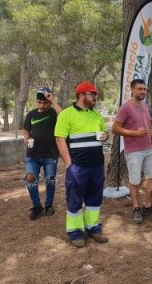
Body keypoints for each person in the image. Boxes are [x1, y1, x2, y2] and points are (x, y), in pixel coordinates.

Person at [55, 80, 109, 248]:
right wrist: (69, 164)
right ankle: (75, 232)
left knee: (95, 199)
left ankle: (93, 227)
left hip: (97, 165)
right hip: (77, 167)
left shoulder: (96, 114)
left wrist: (105, 136)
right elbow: (60, 139)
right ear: (81, 95)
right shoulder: (66, 114)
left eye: (95, 94)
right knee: (75, 199)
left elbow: (104, 134)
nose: (95, 97)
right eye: (92, 94)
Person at [112, 79, 152, 224]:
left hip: (148, 148)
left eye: (144, 89)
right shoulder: (126, 107)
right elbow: (115, 128)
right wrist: (133, 133)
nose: (142, 91)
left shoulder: (145, 107)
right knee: (135, 180)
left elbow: (150, 130)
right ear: (132, 89)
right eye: (139, 89)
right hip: (133, 150)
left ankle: (148, 204)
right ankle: (136, 208)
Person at [23, 87, 62, 220]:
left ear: (49, 102)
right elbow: (26, 130)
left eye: (45, 102)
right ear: (36, 102)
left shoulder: (54, 113)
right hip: (32, 154)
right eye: (39, 102)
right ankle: (37, 206)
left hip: (50, 154)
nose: (42, 105)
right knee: (30, 178)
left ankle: (49, 205)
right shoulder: (31, 114)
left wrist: (53, 100)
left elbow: (64, 116)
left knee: (50, 180)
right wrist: (26, 138)